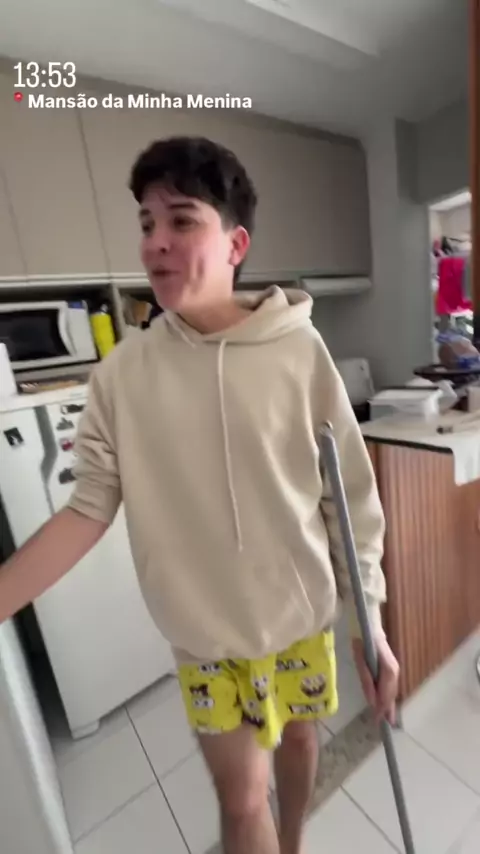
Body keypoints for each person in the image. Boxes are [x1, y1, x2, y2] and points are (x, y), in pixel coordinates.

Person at [0, 136, 399, 854]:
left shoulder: (299, 352)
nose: (155, 242)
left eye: (181, 220)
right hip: (203, 639)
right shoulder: (122, 378)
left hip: (299, 618)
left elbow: (349, 500)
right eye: (146, 223)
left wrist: (368, 618)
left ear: (235, 243)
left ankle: (295, 839)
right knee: (241, 800)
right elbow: (87, 509)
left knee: (300, 740)